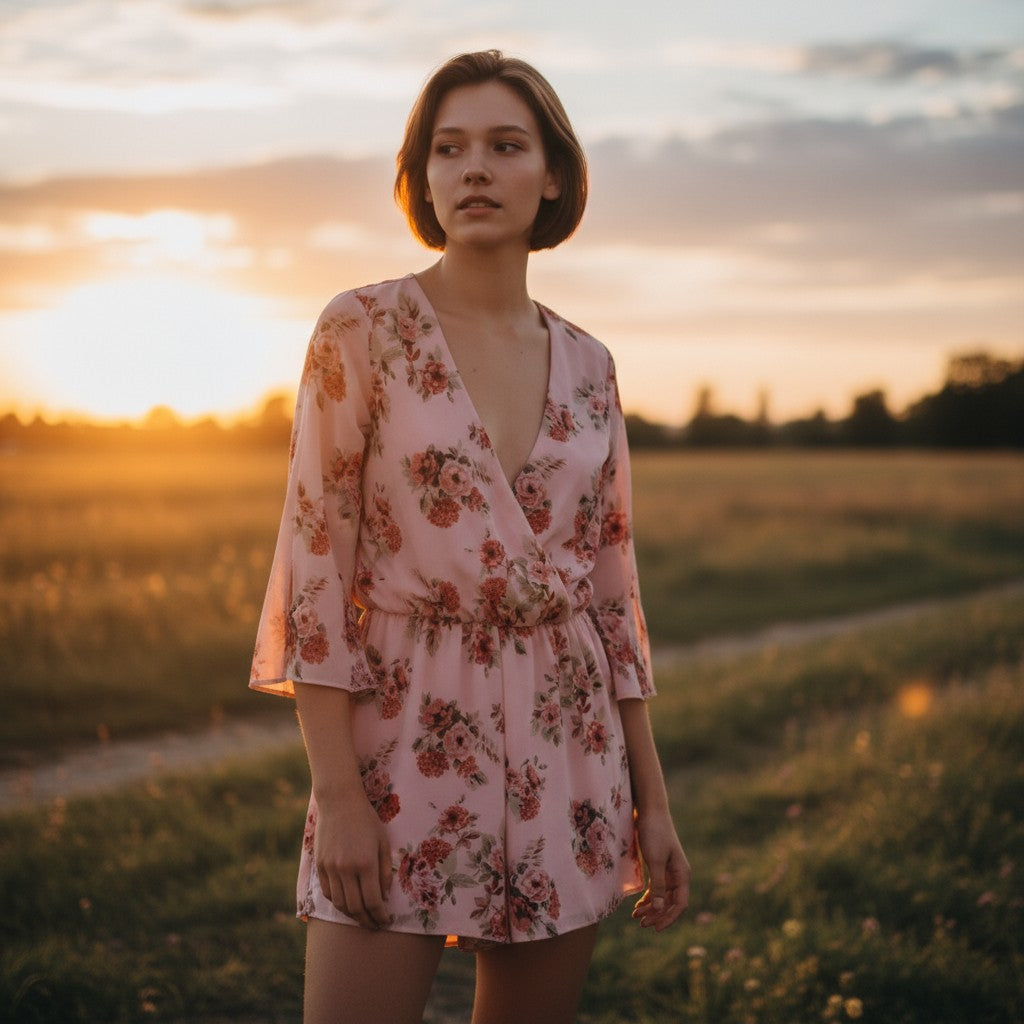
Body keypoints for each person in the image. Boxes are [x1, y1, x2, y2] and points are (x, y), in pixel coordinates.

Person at [250, 49, 690, 1024]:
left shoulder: (590, 364)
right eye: (447, 149)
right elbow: (314, 565)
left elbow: (613, 592)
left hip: (567, 746)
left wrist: (649, 801)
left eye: (504, 145)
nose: (474, 169)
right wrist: (342, 796)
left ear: (555, 177)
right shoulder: (360, 330)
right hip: (401, 742)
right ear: (420, 178)